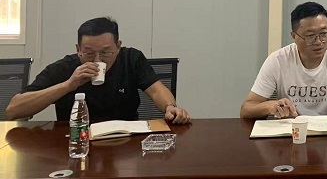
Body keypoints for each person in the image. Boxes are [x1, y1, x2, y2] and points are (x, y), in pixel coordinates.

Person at [5, 17, 191, 123]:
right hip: (75, 141)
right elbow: (13, 110)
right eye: (88, 53)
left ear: (118, 46)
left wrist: (171, 107)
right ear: (78, 49)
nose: (97, 60)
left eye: (105, 53)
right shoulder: (65, 67)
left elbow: (156, 90)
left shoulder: (131, 59)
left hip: (126, 142)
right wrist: (69, 85)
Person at [240, 1, 327, 132]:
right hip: (292, 135)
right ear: (294, 36)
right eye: (310, 36)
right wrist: (269, 106)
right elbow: (246, 109)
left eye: (324, 34)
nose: (319, 42)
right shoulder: (277, 61)